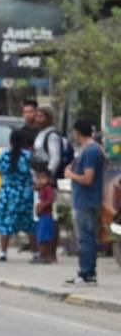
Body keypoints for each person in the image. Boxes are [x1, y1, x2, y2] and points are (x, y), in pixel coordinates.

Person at [63, 119, 105, 285]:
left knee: (85, 238)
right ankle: (88, 272)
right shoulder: (89, 149)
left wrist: (70, 175)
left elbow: (88, 178)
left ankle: (86, 273)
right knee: (87, 237)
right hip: (86, 199)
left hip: (86, 201)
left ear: (78, 132)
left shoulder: (91, 151)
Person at [0, 130, 34, 262]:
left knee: (5, 223)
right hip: (24, 193)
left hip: (7, 193)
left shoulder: (3, 154)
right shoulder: (28, 156)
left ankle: (3, 252)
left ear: (10, 140)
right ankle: (36, 251)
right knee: (29, 223)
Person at [33, 169, 58, 264]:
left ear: (48, 179)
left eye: (43, 178)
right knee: (41, 237)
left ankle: (44, 255)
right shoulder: (41, 189)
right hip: (42, 216)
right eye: (38, 178)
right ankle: (44, 255)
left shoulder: (48, 188)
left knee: (44, 237)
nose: (40, 180)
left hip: (47, 216)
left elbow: (51, 199)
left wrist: (42, 205)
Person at [32, 107, 65, 177]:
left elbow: (55, 158)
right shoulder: (41, 132)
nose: (37, 119)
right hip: (38, 173)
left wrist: (47, 176)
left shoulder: (52, 135)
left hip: (46, 176)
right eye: (36, 117)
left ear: (48, 119)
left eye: (41, 117)